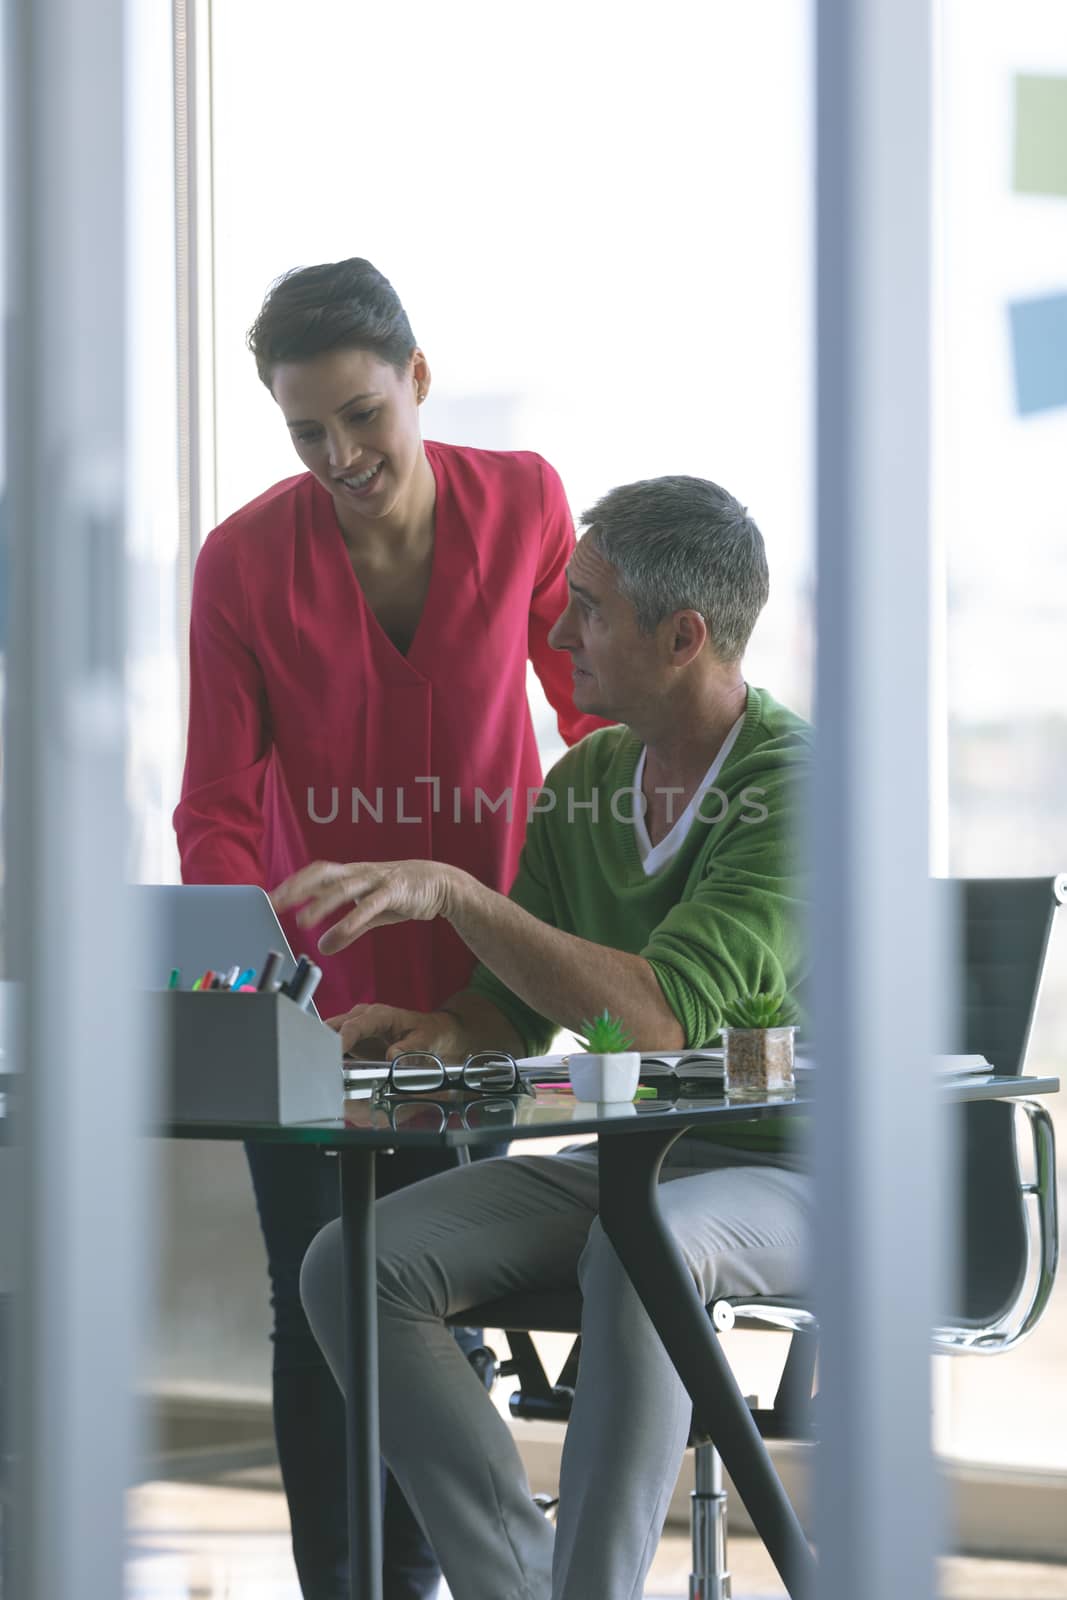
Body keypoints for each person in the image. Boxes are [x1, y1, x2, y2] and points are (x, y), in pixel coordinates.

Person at [282, 474, 814, 1600]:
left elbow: (665, 1015)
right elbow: (511, 1010)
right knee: (349, 1263)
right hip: (637, 1158)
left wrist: (457, 894)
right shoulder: (585, 785)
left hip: (798, 1171)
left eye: (588, 607)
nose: (559, 630)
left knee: (642, 1240)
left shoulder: (797, 788)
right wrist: (433, 1030)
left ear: (683, 636)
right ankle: (519, 1580)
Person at [173, 257, 604, 1600]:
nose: (341, 454)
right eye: (307, 431)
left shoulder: (525, 501)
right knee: (317, 1310)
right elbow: (218, 812)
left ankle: (457, 1573)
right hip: (314, 1009)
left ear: (416, 380)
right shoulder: (244, 562)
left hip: (484, 992)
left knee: (433, 1306)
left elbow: (586, 720)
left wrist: (619, 908)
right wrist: (245, 999)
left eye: (363, 414)